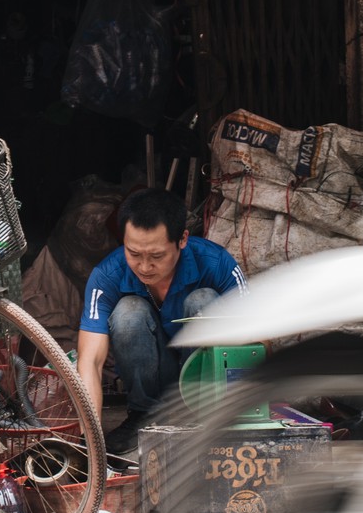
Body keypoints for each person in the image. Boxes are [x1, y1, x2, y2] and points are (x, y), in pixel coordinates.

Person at [75, 189, 245, 453]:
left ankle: (205, 416)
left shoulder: (217, 263)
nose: (144, 266)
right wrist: (90, 444)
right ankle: (144, 416)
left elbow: (257, 339)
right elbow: (90, 361)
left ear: (182, 240)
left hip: (206, 391)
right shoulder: (106, 275)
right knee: (127, 312)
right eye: (134, 253)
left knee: (204, 301)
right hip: (154, 382)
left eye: (156, 256)